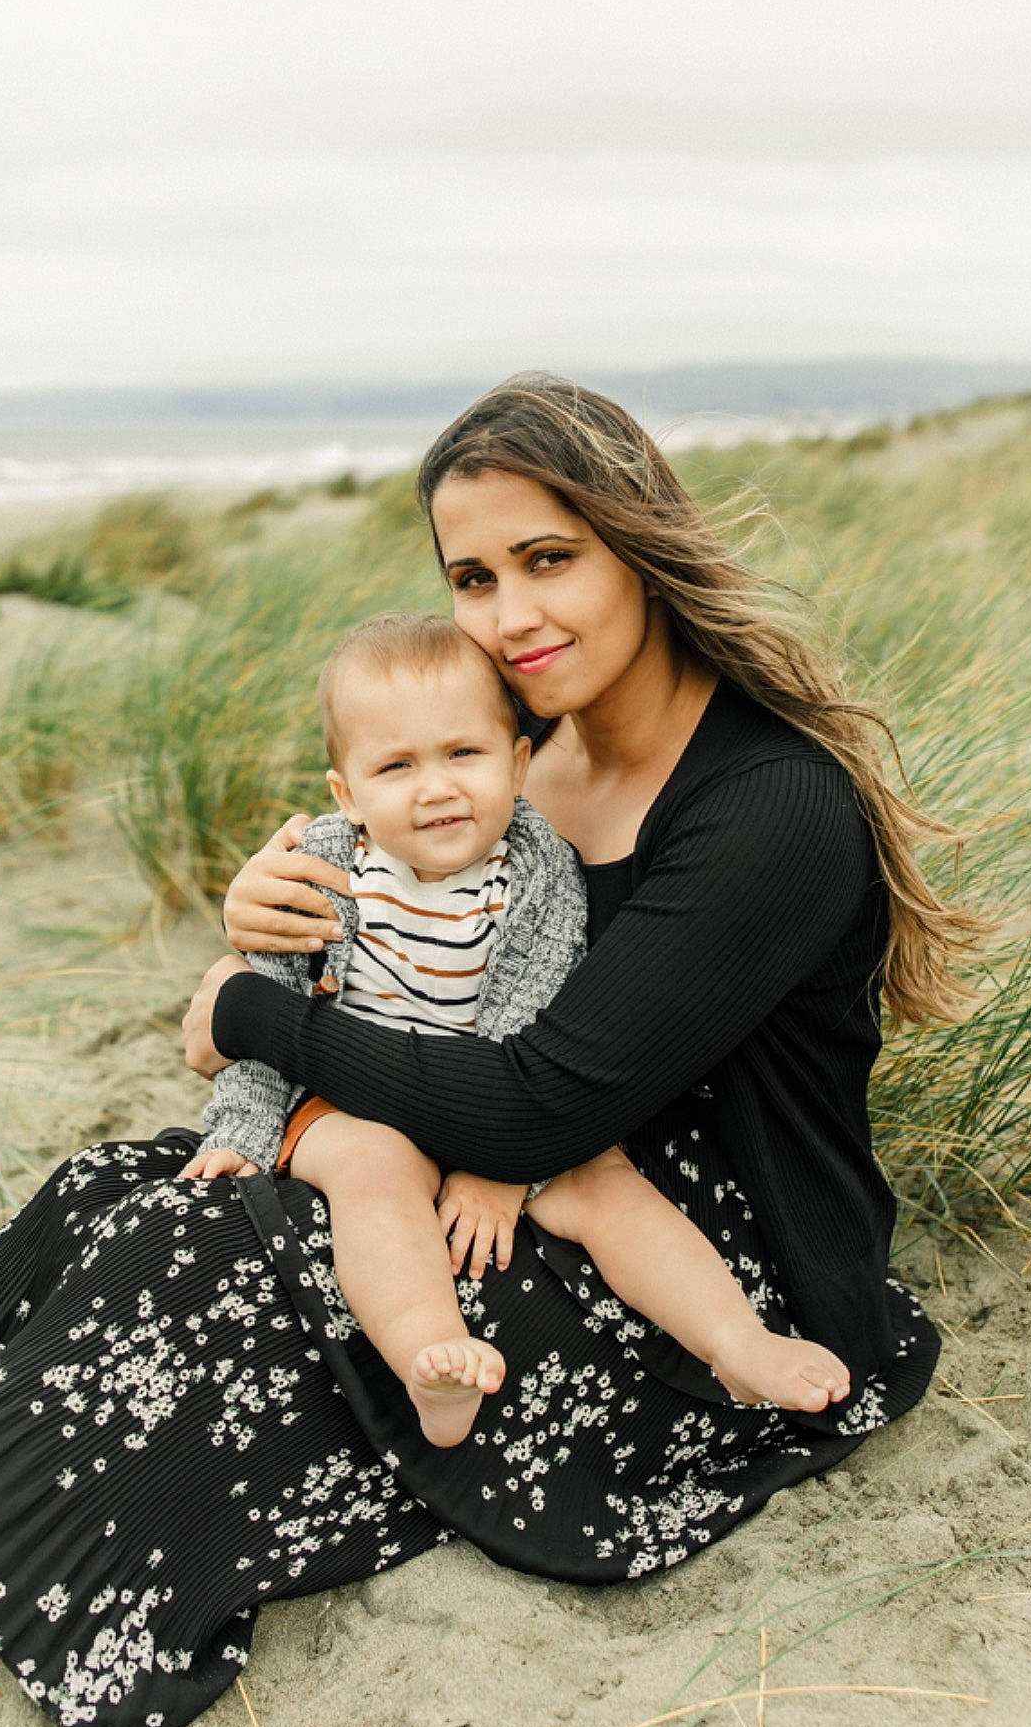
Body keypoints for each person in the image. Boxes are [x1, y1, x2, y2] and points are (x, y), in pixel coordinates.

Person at [0, 373, 968, 1727]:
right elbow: (349, 979)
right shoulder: (511, 761)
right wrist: (257, 939)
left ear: (638, 542)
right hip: (481, 1170)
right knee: (117, 1188)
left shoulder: (771, 805)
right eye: (471, 575)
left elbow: (538, 1106)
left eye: (549, 559)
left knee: (198, 1272)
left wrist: (247, 1017)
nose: (509, 617)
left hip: (692, 1266)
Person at [180, 612, 852, 1448]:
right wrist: (241, 1126)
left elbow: (537, 1010)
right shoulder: (327, 864)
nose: (436, 788)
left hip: (494, 1104)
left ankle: (738, 1342)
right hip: (351, 1100)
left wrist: (503, 1166)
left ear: (519, 762)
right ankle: (431, 1354)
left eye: (464, 754)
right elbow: (260, 1000)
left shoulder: (539, 870)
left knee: (607, 1188)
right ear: (347, 793)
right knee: (374, 1173)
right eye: (396, 767)